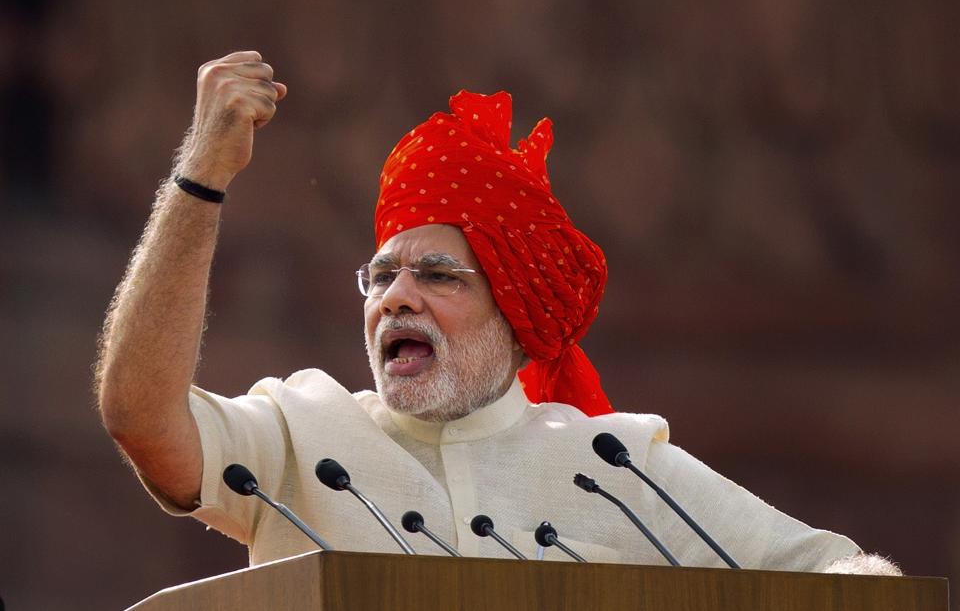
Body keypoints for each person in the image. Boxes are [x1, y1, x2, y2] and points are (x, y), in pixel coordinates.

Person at [96, 51, 898, 574]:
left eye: (438, 275)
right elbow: (140, 414)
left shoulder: (617, 468)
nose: (394, 297)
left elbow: (834, 574)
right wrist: (201, 176)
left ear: (513, 314)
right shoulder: (297, 435)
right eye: (379, 278)